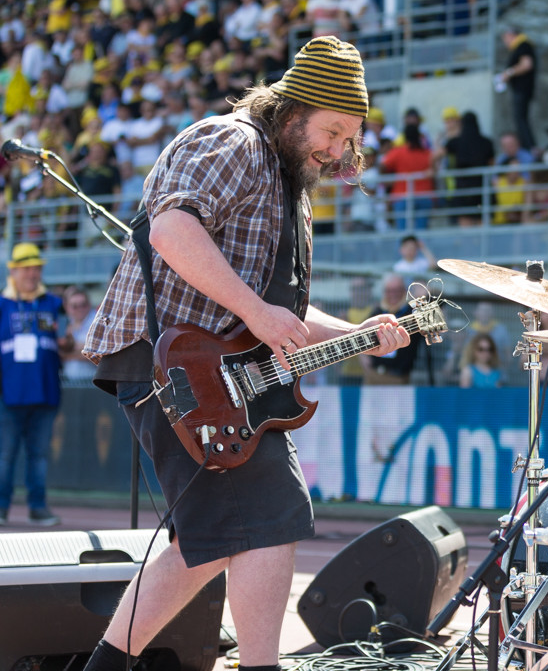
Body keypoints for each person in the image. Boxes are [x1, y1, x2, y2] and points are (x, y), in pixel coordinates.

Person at [79, 36, 409, 670]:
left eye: (350, 138)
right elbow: (171, 227)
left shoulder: (290, 182)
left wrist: (363, 333)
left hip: (216, 374)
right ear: (292, 111)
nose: (339, 151)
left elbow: (279, 313)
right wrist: (259, 312)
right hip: (172, 365)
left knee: (207, 538)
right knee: (271, 515)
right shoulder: (232, 141)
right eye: (332, 131)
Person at [0, 243, 65, 527]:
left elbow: (65, 339)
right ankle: (1, 508)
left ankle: (37, 508)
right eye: (26, 268)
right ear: (13, 271)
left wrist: (70, 341)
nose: (32, 273)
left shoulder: (52, 303)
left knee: (38, 456)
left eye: (36, 267)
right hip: (8, 394)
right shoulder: (2, 304)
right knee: (5, 456)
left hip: (46, 392)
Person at [363, 274, 423, 385]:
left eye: (397, 290)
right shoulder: (377, 312)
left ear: (404, 291)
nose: (393, 295)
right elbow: (361, 336)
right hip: (374, 374)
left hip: (400, 377)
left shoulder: (412, 313)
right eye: (389, 291)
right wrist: (365, 360)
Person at [499, 26, 537, 150]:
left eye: (505, 38)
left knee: (520, 119)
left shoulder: (523, 45)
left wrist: (508, 73)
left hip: (522, 89)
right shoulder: (522, 45)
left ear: (511, 35)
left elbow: (526, 65)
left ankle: (530, 147)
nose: (505, 43)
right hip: (521, 89)